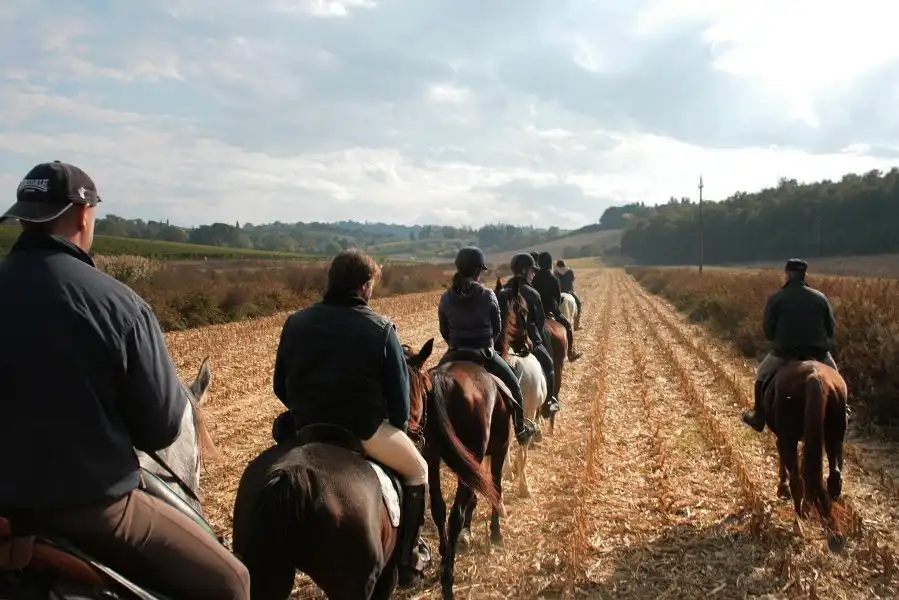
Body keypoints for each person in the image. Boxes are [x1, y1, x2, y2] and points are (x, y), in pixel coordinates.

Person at [0, 161, 250, 600]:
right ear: (83, 215)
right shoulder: (119, 306)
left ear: (23, 218)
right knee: (232, 583)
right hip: (92, 510)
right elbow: (160, 428)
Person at [272, 248, 428, 588]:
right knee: (419, 470)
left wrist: (306, 410)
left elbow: (279, 385)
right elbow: (401, 407)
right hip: (362, 430)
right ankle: (408, 556)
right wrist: (394, 425)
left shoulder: (295, 322)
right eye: (372, 284)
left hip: (306, 428)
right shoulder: (382, 329)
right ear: (363, 286)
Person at [438, 247, 538, 446]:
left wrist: (454, 343)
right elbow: (497, 328)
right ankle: (520, 429)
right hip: (484, 354)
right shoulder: (488, 295)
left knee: (433, 386)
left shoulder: (446, 297)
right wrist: (486, 343)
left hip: (454, 353)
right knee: (514, 386)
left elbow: (444, 329)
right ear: (478, 271)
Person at [742, 258, 839, 432]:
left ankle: (759, 415)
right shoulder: (820, 297)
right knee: (836, 378)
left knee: (761, 375)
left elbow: (769, 332)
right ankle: (843, 411)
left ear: (787, 275)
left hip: (785, 353)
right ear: (805, 275)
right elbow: (831, 329)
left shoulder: (776, 298)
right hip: (817, 353)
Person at [497, 253, 561, 419]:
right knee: (549, 365)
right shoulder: (532, 293)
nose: (533, 275)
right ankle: (549, 402)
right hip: (527, 341)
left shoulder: (503, 290)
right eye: (532, 271)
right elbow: (540, 324)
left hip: (505, 343)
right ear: (525, 270)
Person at [531, 252, 582, 362]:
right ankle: (570, 353)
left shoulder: (534, 279)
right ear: (550, 264)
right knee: (568, 326)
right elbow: (558, 298)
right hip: (552, 310)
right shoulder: (554, 279)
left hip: (538, 312)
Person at [554, 259, 582, 330]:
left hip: (558, 293)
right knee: (578, 304)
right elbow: (571, 281)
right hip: (569, 292)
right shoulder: (570, 271)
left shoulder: (555, 272)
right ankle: (576, 325)